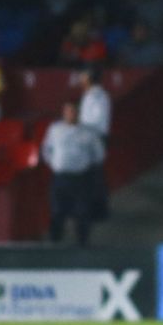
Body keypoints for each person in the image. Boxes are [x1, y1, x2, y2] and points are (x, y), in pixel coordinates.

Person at [41, 101, 105, 246]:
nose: (70, 114)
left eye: (73, 111)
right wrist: (54, 163)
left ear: (78, 113)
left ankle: (82, 244)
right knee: (57, 211)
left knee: (82, 212)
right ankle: (54, 242)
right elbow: (46, 149)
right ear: (64, 113)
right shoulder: (55, 129)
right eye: (68, 111)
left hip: (80, 178)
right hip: (60, 177)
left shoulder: (88, 132)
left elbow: (99, 154)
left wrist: (86, 164)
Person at [78, 67, 111, 219]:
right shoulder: (89, 94)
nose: (80, 78)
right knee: (91, 175)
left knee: (95, 175)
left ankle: (99, 211)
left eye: (83, 76)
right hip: (88, 137)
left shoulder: (98, 95)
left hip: (95, 138)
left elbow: (97, 120)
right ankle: (93, 209)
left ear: (89, 77)